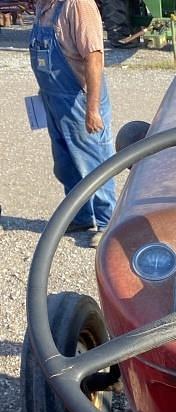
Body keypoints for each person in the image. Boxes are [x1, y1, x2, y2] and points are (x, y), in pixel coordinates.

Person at [29, 0, 116, 247]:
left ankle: (108, 222)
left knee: (94, 162)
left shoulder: (78, 5)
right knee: (66, 163)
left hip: (79, 99)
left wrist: (93, 109)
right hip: (53, 100)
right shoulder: (43, 7)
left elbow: (95, 59)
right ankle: (80, 216)